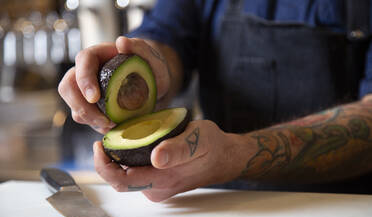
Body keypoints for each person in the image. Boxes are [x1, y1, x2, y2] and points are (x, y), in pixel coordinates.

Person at [58, 0, 372, 202]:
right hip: (221, 211)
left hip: (342, 212)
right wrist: (144, 63)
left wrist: (235, 155)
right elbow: (167, 35)